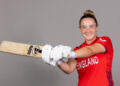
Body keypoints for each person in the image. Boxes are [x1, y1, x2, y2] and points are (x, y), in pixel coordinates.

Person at [42, 10, 114, 86]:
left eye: (91, 26)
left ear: (96, 27)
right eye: (84, 27)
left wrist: (68, 54)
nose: (88, 30)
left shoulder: (105, 40)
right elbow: (68, 69)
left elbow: (90, 50)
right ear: (80, 29)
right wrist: (57, 60)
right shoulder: (77, 50)